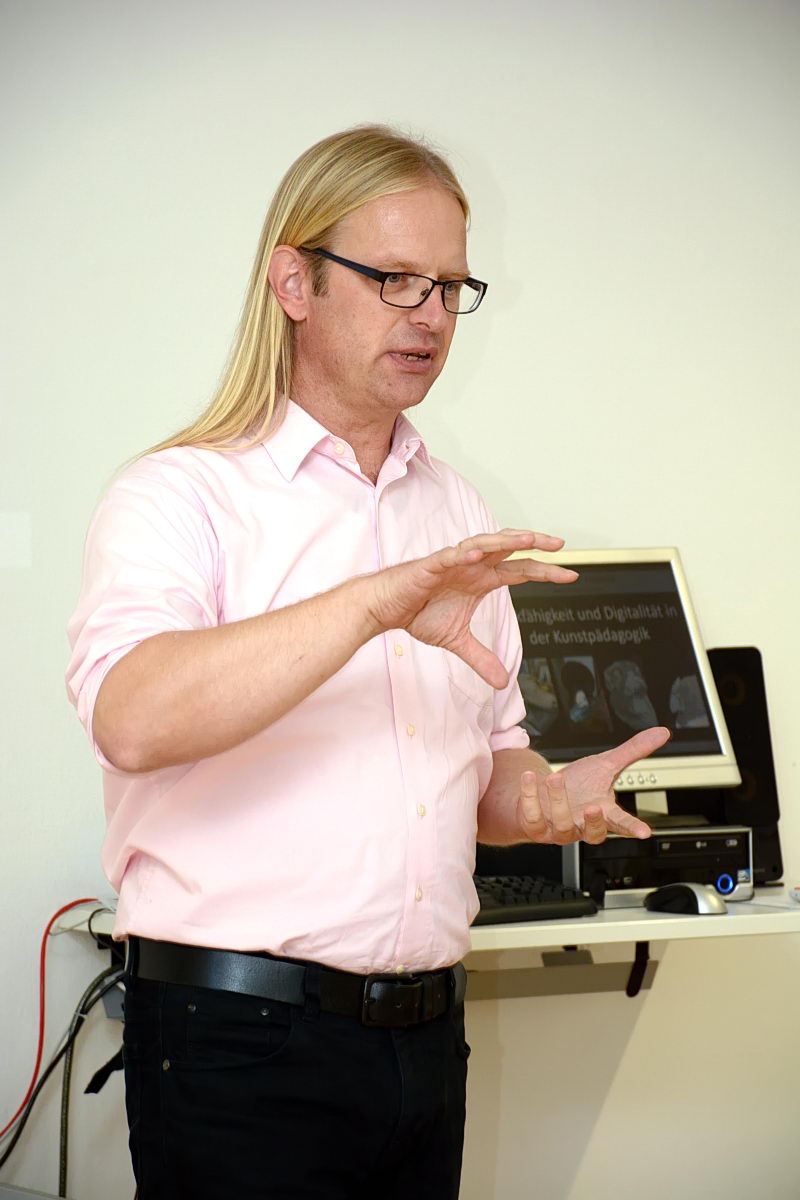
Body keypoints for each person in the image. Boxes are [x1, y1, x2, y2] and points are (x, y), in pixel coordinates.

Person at [66, 125, 669, 1200]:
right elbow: (132, 720)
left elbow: (481, 768)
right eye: (395, 279)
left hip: (424, 1042)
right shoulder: (180, 494)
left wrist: (539, 800)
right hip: (237, 1043)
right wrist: (374, 603)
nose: (429, 315)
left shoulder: (458, 510)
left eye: (450, 287)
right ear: (293, 282)